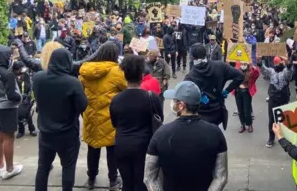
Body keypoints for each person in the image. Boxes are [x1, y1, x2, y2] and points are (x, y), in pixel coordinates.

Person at [144, 81, 228, 191]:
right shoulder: (215, 133)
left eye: (174, 100)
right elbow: (221, 177)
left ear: (181, 105)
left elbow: (149, 178)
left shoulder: (161, 134)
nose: (172, 103)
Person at [33, 48, 88, 191]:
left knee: (43, 168)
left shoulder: (38, 77)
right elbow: (82, 106)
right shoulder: (72, 82)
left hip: (45, 132)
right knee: (68, 168)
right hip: (67, 133)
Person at [110, 55, 163, 191]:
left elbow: (114, 123)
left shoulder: (116, 99)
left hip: (122, 145)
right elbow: (160, 120)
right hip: (145, 147)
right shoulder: (152, 98)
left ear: (125, 75)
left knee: (127, 183)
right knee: (142, 183)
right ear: (141, 75)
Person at [79, 42, 127, 190]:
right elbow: (126, 88)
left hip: (91, 116)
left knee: (92, 149)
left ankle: (91, 179)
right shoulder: (117, 71)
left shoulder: (85, 71)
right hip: (111, 118)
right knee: (112, 151)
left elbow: (80, 93)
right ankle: (113, 181)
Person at [185, 43, 244, 128]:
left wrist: (199, 96)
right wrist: (227, 90)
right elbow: (240, 76)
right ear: (206, 54)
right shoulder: (220, 66)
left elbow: (184, 97)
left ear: (193, 57)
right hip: (217, 110)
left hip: (200, 114)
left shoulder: (190, 76)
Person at [0, 46, 23, 179]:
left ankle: (0, 167)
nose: (11, 59)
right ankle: (10, 169)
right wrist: (20, 97)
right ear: (4, 57)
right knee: (9, 138)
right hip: (7, 108)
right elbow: (11, 95)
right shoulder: (7, 74)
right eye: (9, 56)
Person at [258, 56, 293, 148]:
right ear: (274, 64)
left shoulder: (285, 71)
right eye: (276, 63)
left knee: (284, 119)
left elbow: (289, 75)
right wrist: (259, 61)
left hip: (284, 98)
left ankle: (285, 137)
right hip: (273, 98)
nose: (278, 64)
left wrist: (288, 65)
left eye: (279, 63)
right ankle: (271, 138)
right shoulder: (271, 71)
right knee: (272, 120)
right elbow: (263, 70)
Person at [232, 62, 259, 133]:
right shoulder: (237, 70)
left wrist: (252, 66)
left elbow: (256, 74)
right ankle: (242, 125)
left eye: (245, 64)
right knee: (240, 110)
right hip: (238, 92)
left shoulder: (250, 71)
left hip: (246, 92)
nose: (243, 65)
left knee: (247, 111)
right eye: (242, 64)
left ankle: (249, 124)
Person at [12, 61, 37, 138]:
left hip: (27, 98)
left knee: (27, 114)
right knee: (18, 115)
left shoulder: (26, 75)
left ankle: (31, 129)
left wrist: (28, 96)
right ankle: (21, 130)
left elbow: (31, 86)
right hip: (18, 98)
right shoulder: (12, 77)